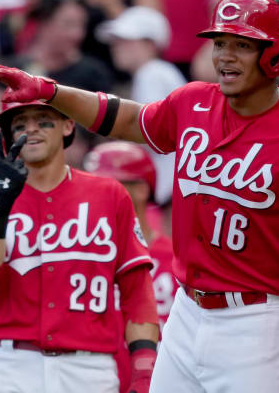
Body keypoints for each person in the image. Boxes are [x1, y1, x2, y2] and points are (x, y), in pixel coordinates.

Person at [0, 0, 279, 392]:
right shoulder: (193, 103)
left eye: (241, 45)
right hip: (187, 311)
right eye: (220, 43)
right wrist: (49, 92)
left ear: (274, 53)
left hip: (261, 322)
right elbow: (123, 118)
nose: (224, 56)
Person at [0, 98, 160, 393]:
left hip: (90, 367)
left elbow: (136, 287)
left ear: (68, 125)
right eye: (20, 124)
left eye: (43, 120)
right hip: (13, 366)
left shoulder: (109, 195)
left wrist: (143, 365)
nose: (32, 129)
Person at [83, 141, 176, 393]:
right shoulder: (79, 258)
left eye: (110, 184)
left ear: (142, 189)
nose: (97, 194)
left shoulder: (178, 261)